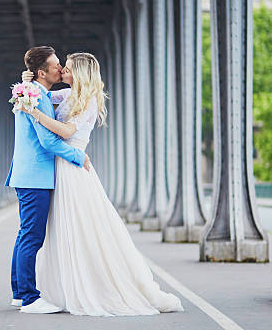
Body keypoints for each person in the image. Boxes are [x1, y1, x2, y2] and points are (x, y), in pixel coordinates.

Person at [19, 52, 184, 316]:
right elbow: (43, 94)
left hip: (74, 169)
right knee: (64, 230)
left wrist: (34, 112)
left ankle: (92, 285)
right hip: (62, 168)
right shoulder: (68, 95)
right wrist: (26, 83)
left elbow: (66, 132)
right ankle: (63, 285)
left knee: (83, 229)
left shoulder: (90, 101)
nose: (62, 71)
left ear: (80, 74)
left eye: (69, 68)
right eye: (63, 67)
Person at [5, 46, 91, 314]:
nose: (60, 69)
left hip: (27, 173)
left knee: (25, 235)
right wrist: (78, 156)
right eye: (55, 65)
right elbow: (46, 139)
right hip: (36, 175)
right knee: (32, 237)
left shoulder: (31, 92)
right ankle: (29, 298)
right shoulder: (37, 97)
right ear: (42, 72)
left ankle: (20, 293)